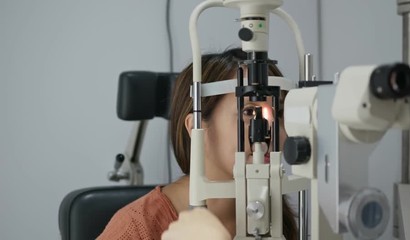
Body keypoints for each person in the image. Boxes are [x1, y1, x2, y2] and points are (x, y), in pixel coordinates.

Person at [97, 48, 297, 240]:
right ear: (197, 128)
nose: (270, 131)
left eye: (277, 114)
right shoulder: (137, 226)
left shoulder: (275, 214)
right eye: (249, 113)